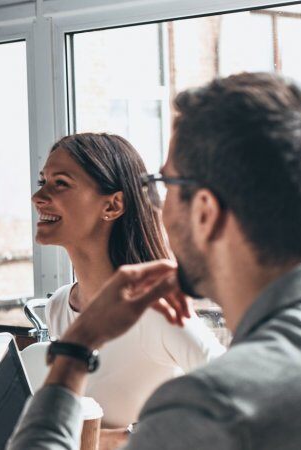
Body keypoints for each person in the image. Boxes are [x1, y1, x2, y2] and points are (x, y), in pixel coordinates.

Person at [9, 72, 301, 449]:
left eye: (166, 183)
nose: (155, 204)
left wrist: (76, 350)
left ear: (205, 211)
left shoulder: (208, 409)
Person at [32, 133, 225, 439]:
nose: (38, 197)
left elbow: (237, 395)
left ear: (113, 205)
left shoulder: (156, 312)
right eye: (43, 181)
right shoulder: (59, 305)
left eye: (61, 183)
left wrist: (129, 438)